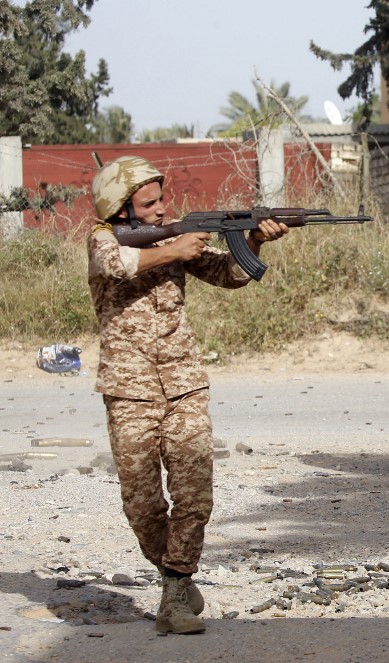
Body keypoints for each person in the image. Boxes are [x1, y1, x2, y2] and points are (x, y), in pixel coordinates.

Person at [87, 156, 289, 634]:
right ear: (121, 210)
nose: (161, 211)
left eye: (163, 200)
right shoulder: (102, 238)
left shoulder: (173, 239)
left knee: (194, 495)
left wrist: (254, 238)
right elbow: (113, 263)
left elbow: (229, 275)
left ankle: (175, 591)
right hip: (128, 388)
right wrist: (173, 248)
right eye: (149, 204)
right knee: (142, 505)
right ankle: (171, 573)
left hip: (184, 384)